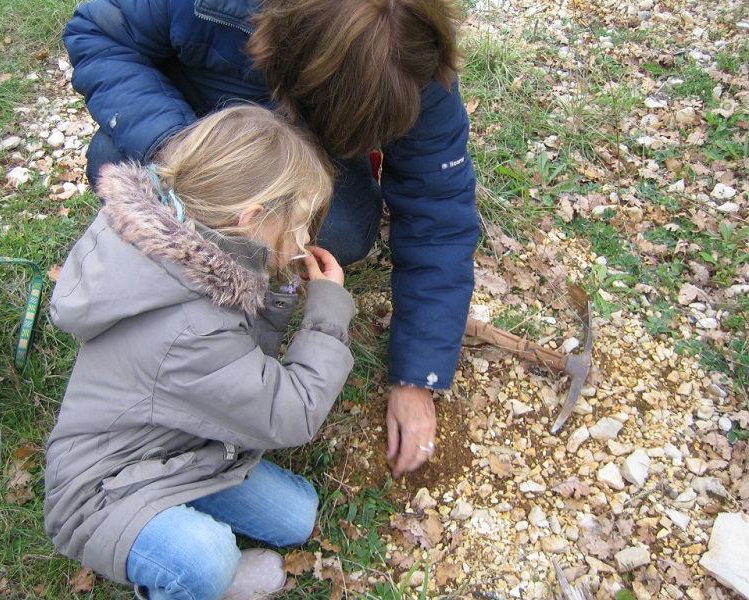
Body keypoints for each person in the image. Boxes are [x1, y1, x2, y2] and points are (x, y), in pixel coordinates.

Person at [63, 0, 481, 478]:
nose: (299, 245)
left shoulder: (414, 59)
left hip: (295, 147)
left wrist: (418, 375)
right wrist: (184, 150)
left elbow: (438, 211)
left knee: (341, 232)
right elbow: (99, 34)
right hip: (198, 116)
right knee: (112, 155)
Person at [44, 105, 356, 599]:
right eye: (298, 226)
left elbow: (238, 361)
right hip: (102, 493)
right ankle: (196, 577)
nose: (304, 241)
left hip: (179, 447)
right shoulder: (190, 330)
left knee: (296, 515)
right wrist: (327, 312)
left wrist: (277, 289)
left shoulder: (186, 243)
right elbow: (291, 412)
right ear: (251, 220)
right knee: (206, 558)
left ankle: (201, 550)